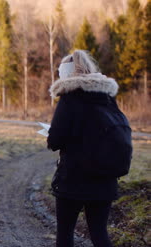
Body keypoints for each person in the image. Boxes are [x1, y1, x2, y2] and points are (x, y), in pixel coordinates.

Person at [47, 50, 122, 247]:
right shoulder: (107, 98)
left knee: (65, 233)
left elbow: (55, 140)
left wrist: (52, 136)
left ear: (66, 74)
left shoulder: (69, 99)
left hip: (73, 179)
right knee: (99, 232)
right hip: (105, 179)